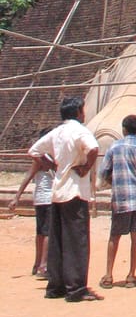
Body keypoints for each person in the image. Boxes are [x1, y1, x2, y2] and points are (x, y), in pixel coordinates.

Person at [28, 95, 102, 302]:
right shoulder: (80, 131)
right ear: (78, 112)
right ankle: (76, 289)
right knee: (77, 241)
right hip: (75, 191)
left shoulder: (57, 132)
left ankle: (56, 286)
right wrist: (86, 167)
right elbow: (94, 148)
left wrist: (52, 166)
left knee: (58, 240)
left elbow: (34, 151)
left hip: (58, 192)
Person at [99, 114, 136, 289]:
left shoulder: (114, 146)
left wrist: (116, 182)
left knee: (114, 236)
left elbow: (103, 171)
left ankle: (108, 275)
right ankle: (131, 275)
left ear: (123, 129)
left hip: (121, 198)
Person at [9, 127, 55, 277]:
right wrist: (17, 197)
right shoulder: (45, 158)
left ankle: (37, 264)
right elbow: (29, 176)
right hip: (48, 198)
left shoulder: (43, 158)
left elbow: (28, 176)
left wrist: (17, 197)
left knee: (41, 232)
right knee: (47, 232)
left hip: (40, 199)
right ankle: (43, 266)